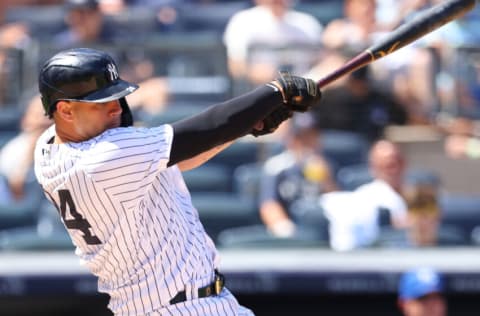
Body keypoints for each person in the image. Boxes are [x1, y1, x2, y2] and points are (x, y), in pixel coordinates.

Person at [33, 48, 321, 315]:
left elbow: (181, 157)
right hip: (183, 307)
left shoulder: (47, 149)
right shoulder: (102, 157)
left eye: (116, 97)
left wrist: (248, 124)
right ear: (65, 110)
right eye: (100, 103)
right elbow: (205, 129)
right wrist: (274, 93)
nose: (116, 108)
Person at [320, 139, 409, 251]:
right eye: (388, 166)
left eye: (398, 162)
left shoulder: (417, 194)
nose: (395, 170)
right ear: (373, 167)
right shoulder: (366, 196)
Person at [259, 112, 337, 238]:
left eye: (311, 135)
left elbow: (337, 200)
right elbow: (269, 204)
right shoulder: (276, 166)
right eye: (301, 137)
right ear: (291, 139)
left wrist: (326, 179)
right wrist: (283, 227)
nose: (307, 141)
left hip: (322, 228)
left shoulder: (327, 164)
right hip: (290, 229)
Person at [222, 0, 323, 86]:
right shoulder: (243, 21)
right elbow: (235, 66)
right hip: (260, 96)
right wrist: (254, 72)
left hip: (302, 95)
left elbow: (324, 61)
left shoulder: (308, 23)